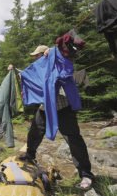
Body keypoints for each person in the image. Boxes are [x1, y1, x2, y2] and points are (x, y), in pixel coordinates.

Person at [19, 43, 94, 190]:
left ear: (43, 55)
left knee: (73, 139)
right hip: (44, 108)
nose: (35, 59)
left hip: (63, 106)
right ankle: (30, 155)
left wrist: (52, 51)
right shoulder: (36, 70)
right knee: (34, 132)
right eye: (34, 57)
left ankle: (86, 174)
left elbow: (70, 54)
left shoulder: (56, 59)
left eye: (37, 56)